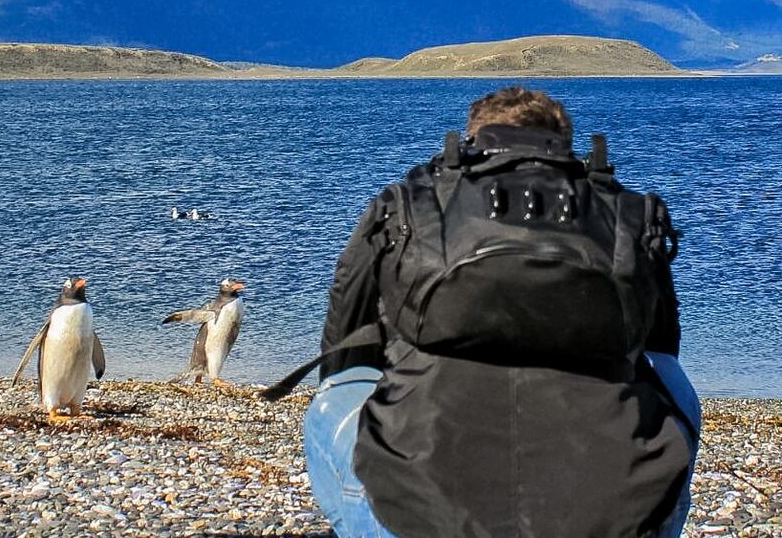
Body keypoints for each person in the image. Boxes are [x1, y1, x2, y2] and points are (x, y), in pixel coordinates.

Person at [265, 87, 701, 538]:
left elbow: (344, 347)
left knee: (335, 394)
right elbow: (662, 349)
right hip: (610, 516)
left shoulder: (409, 204)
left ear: (473, 138)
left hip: (415, 510)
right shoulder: (627, 214)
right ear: (565, 145)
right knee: (671, 381)